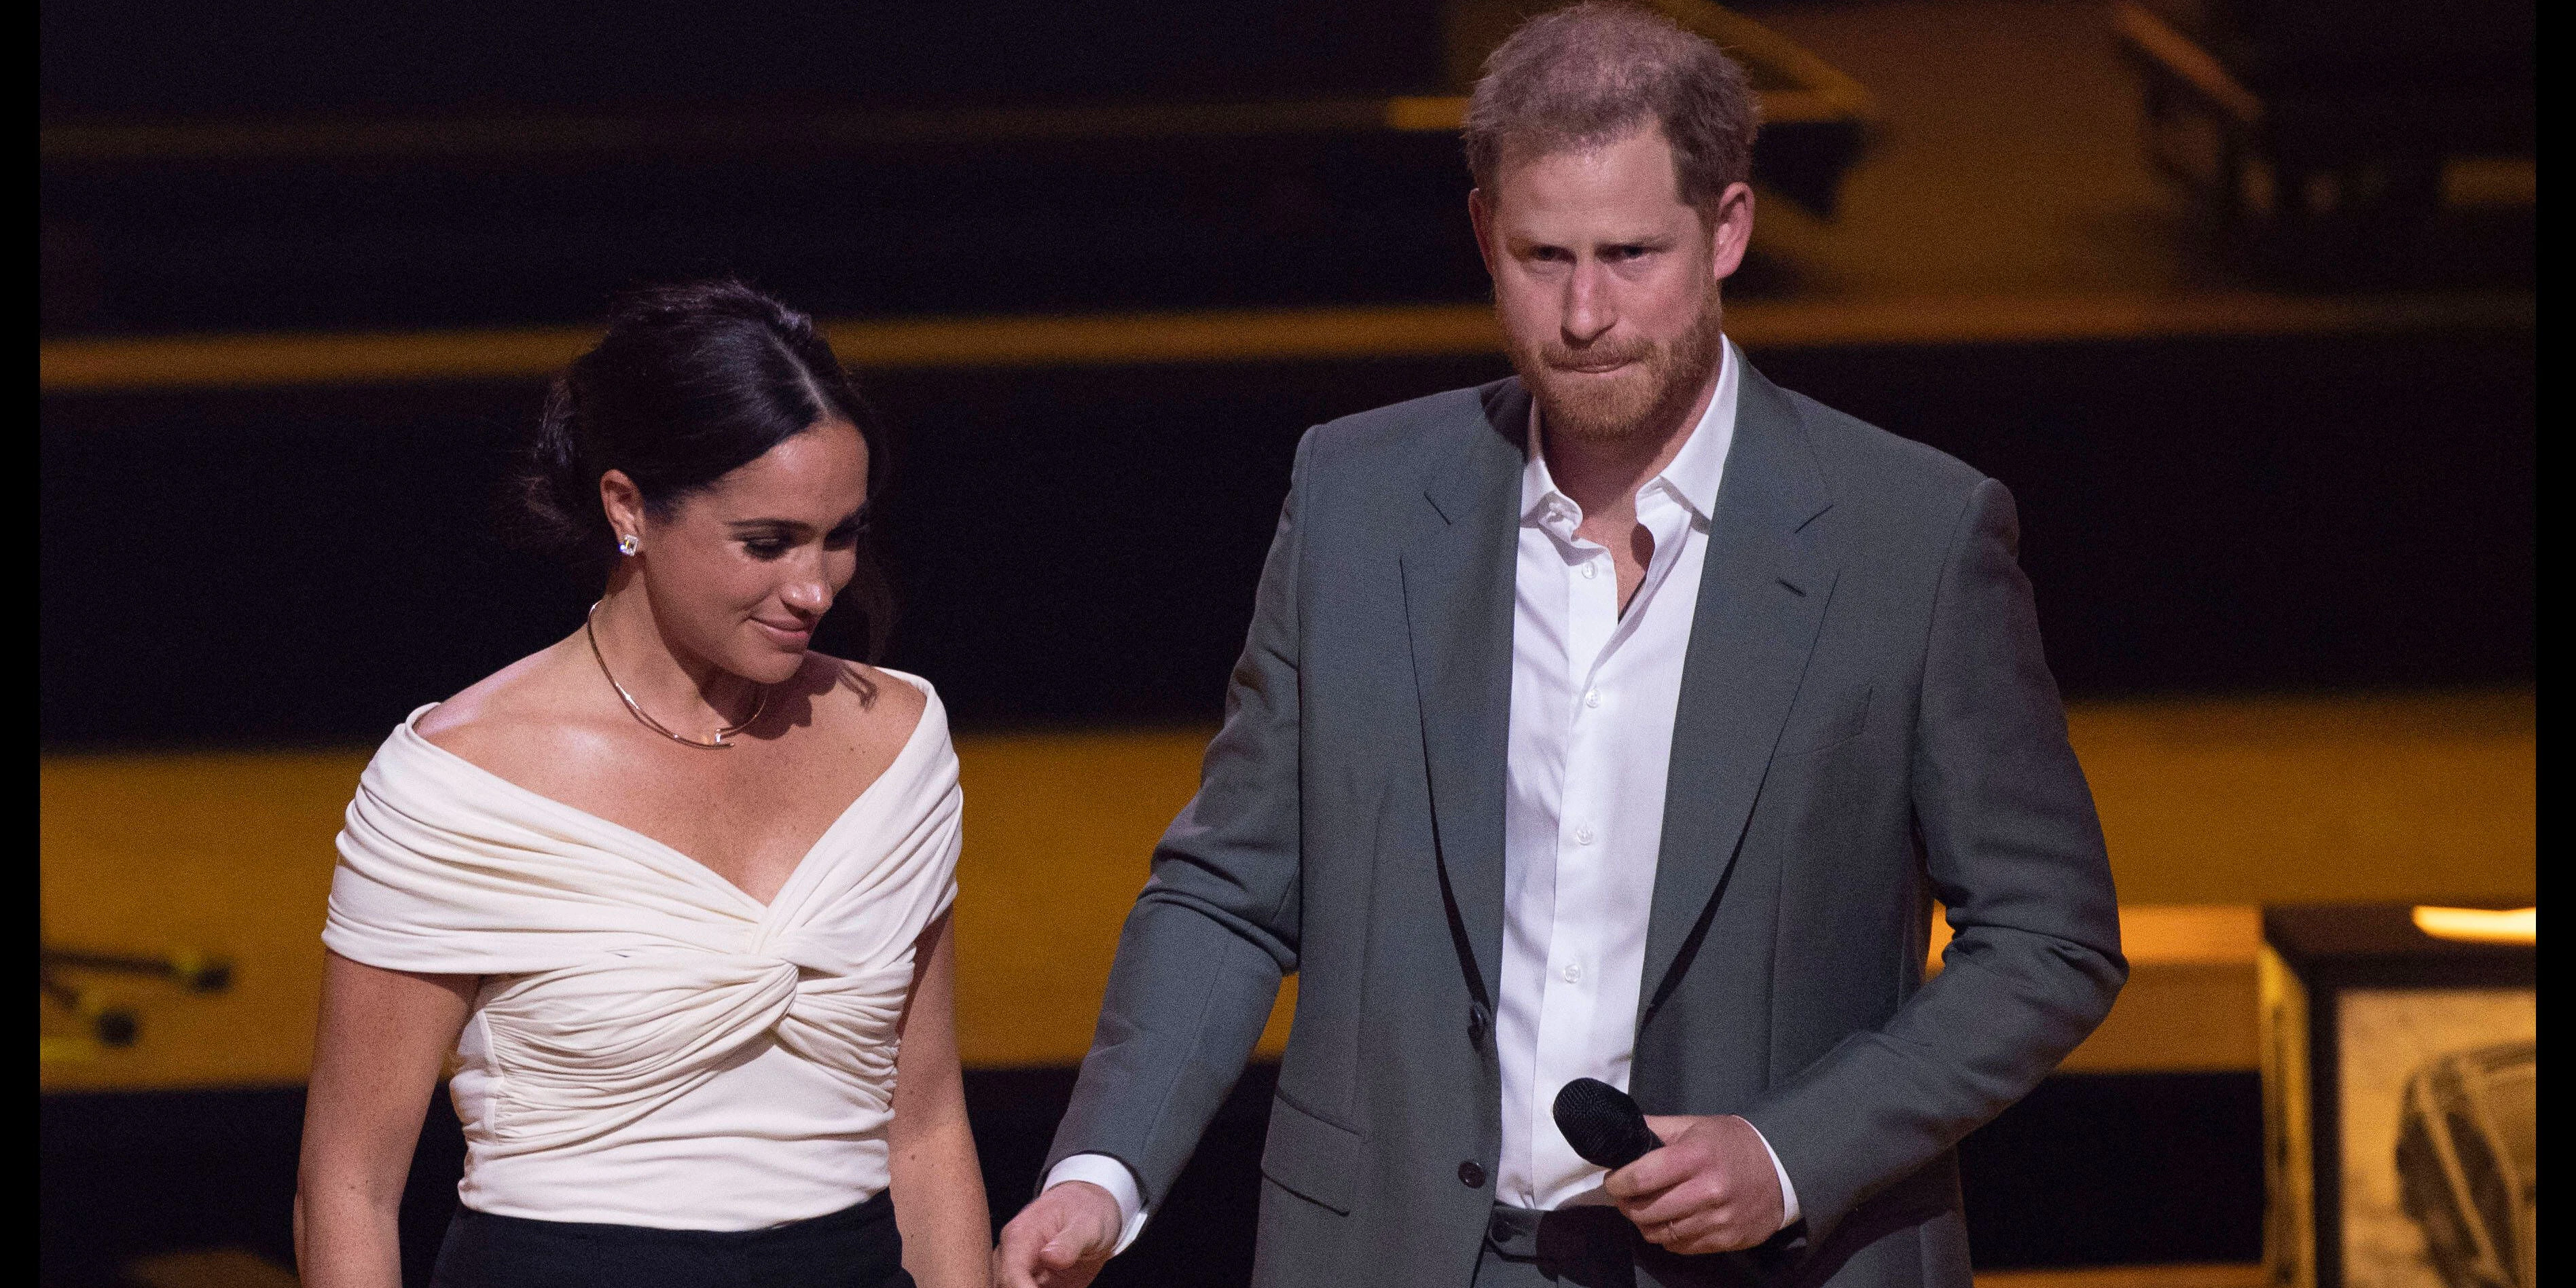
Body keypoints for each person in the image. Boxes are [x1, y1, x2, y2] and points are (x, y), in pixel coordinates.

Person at [994, 5, 2124, 1287]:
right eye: (1544, 257)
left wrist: (1790, 1152)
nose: (1587, 313)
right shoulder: (1359, 502)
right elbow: (1230, 886)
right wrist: (1103, 1172)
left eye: (1632, 254)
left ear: (1731, 230)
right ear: (1483, 235)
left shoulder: (1911, 538)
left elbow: (2049, 937)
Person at [295, 281, 991, 1288]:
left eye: (841, 536)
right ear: (629, 509)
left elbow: (926, 1131)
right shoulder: (458, 782)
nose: (816, 588)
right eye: (768, 542)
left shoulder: (901, 742)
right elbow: (349, 1187)